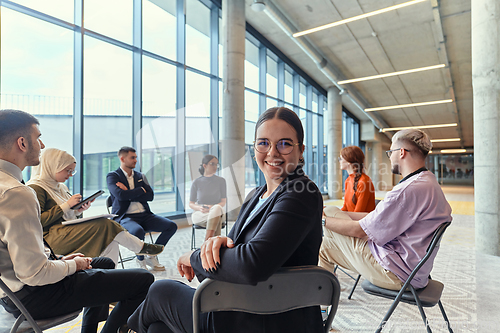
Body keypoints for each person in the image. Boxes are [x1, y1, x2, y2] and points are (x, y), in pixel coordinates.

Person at [128, 106, 324, 333]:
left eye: (285, 143)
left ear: (301, 151)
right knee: (157, 329)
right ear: (254, 149)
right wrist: (214, 245)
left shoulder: (301, 192)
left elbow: (251, 264)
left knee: (160, 291)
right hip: (239, 305)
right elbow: (228, 254)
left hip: (267, 319)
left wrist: (193, 257)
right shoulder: (255, 196)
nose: (272, 153)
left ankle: (127, 329)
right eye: (263, 143)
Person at [0, 109, 154, 333]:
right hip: (34, 296)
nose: (42, 146)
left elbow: (18, 251)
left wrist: (60, 260)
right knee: (144, 280)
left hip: (13, 292)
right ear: (22, 143)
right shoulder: (17, 192)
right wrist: (72, 265)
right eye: (38, 138)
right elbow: (34, 274)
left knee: (105, 264)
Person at [319, 129, 452, 290]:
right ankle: (323, 307)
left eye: (390, 152)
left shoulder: (407, 190)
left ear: (401, 152)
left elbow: (360, 231)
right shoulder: (428, 182)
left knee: (330, 214)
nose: (389, 158)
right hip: (412, 269)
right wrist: (341, 214)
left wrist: (321, 220)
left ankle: (322, 305)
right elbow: (373, 218)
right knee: (325, 248)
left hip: (395, 272)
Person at [27, 148, 164, 265]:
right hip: (50, 238)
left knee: (110, 241)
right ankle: (140, 247)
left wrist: (77, 211)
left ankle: (110, 277)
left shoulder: (60, 187)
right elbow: (37, 221)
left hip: (66, 231)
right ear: (52, 167)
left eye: (72, 171)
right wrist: (67, 205)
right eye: (67, 170)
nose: (70, 175)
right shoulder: (36, 187)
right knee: (106, 224)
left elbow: (66, 215)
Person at [107, 146, 177, 271]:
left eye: (136, 157)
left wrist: (128, 191)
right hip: (125, 217)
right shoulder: (113, 176)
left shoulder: (141, 176)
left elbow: (150, 196)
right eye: (132, 158)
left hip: (145, 215)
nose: (135, 160)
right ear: (122, 158)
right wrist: (140, 190)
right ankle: (140, 259)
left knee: (171, 226)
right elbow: (120, 196)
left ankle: (152, 254)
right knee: (138, 231)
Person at [189, 154, 227, 240]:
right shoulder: (197, 182)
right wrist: (200, 208)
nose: (215, 166)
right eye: (212, 164)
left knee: (217, 208)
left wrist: (212, 207)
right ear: (204, 165)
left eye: (217, 164)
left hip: (217, 210)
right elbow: (191, 203)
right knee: (216, 219)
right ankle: (214, 246)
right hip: (200, 213)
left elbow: (223, 201)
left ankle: (207, 240)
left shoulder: (221, 181)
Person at [338, 145, 376, 213]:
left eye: (340, 159)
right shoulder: (348, 180)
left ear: (348, 161)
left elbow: (358, 213)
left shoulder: (364, 182)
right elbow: (345, 207)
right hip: (352, 219)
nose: (339, 161)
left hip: (361, 222)